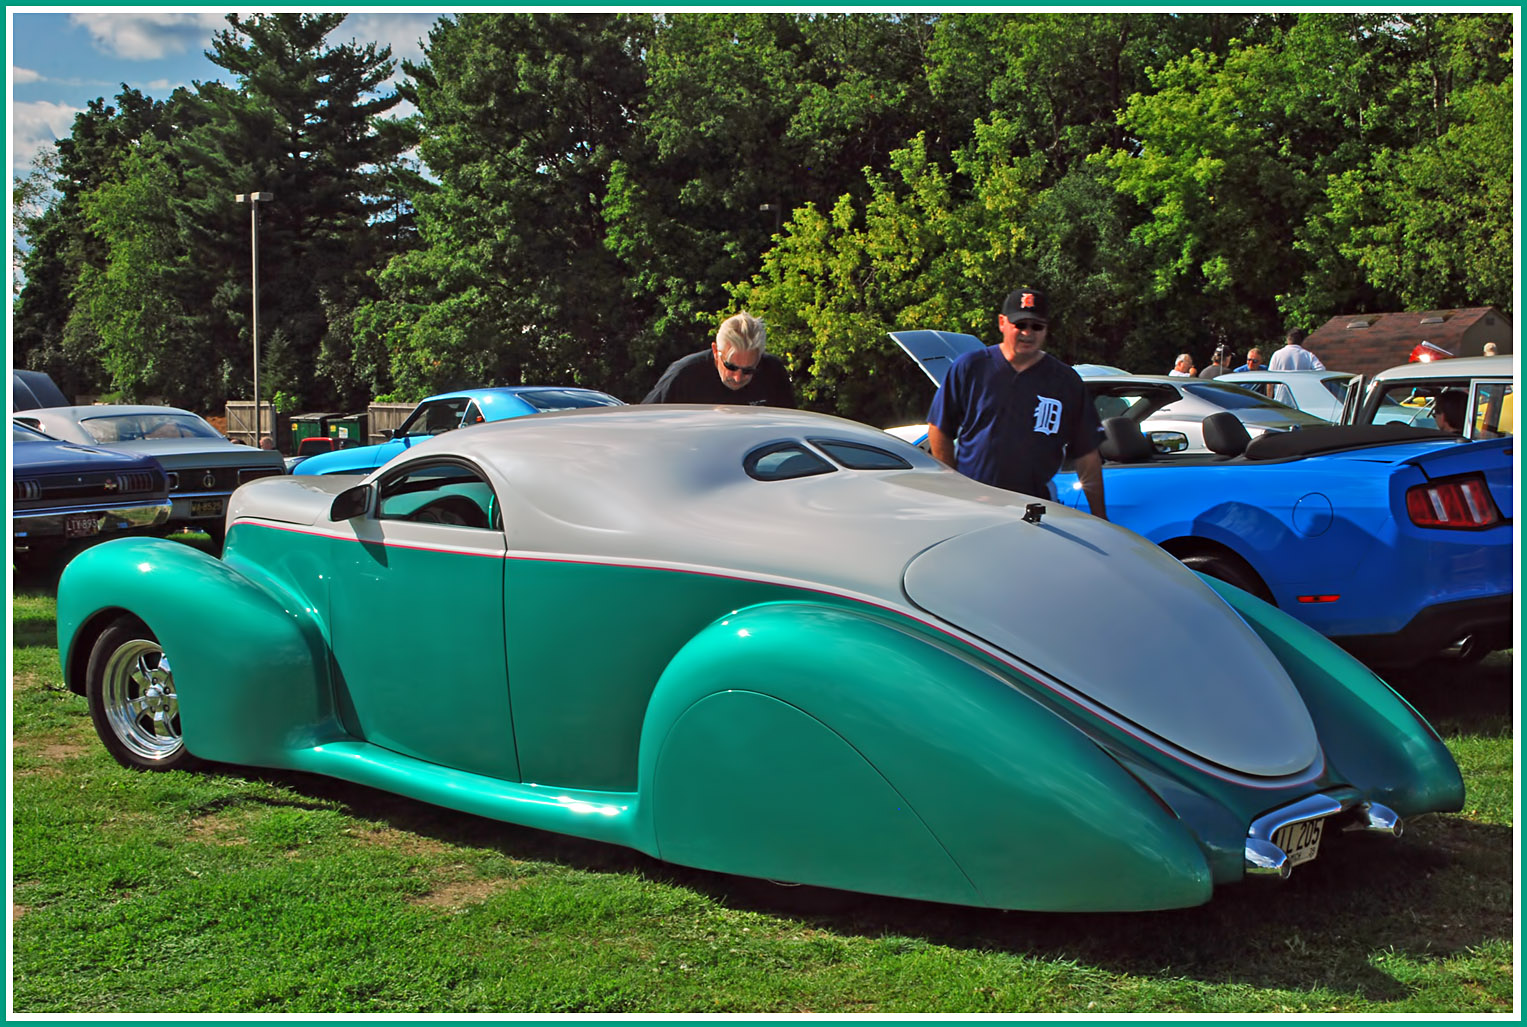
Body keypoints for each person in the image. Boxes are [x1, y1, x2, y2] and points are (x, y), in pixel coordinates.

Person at [926, 287, 1106, 519]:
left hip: (1035, 507)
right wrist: (954, 486)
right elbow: (939, 428)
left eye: (1036, 326)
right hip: (975, 502)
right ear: (1002, 323)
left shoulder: (1065, 381)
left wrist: (1100, 515)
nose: (1027, 333)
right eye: (1020, 325)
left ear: (1046, 329)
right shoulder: (971, 367)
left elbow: (1087, 453)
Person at [642, 311, 795, 407]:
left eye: (748, 370)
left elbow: (789, 426)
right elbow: (644, 420)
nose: (737, 377)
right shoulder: (684, 375)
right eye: (731, 367)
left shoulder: (773, 373)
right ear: (716, 351)